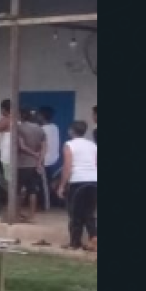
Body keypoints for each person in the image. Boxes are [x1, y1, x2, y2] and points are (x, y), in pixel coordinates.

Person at [57, 121, 98, 251]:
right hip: (93, 181)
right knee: (89, 212)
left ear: (71, 131)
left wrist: (62, 185)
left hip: (78, 181)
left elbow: (67, 167)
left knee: (75, 213)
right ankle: (94, 238)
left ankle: (75, 243)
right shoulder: (93, 145)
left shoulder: (69, 145)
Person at [16, 108, 47, 223]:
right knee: (32, 190)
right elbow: (44, 147)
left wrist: (33, 154)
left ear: (21, 116)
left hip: (22, 164)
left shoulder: (18, 128)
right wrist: (39, 160)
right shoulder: (40, 129)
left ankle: (17, 213)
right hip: (35, 164)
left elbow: (22, 146)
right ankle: (31, 215)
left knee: (18, 190)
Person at [38, 107, 62, 205]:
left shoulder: (41, 129)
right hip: (55, 159)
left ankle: (46, 204)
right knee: (48, 183)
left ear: (42, 116)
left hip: (45, 160)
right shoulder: (55, 127)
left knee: (44, 185)